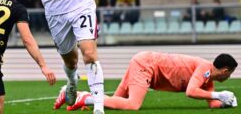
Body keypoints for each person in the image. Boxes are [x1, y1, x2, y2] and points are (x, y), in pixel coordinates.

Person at [54, 51, 238, 111]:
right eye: (229, 74)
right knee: (133, 105)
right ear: (225, 70)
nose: (228, 77)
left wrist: (225, 102)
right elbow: (191, 91)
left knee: (115, 102)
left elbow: (212, 103)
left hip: (144, 61)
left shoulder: (208, 78)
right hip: (146, 64)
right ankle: (86, 97)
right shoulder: (205, 70)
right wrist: (219, 94)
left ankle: (72, 94)